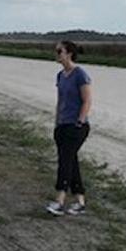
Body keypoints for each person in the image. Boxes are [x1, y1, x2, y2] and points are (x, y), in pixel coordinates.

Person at [47, 41, 93, 216]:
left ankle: (59, 200)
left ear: (69, 54)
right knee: (71, 161)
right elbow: (60, 100)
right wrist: (57, 121)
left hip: (77, 126)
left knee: (65, 161)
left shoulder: (80, 74)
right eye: (56, 51)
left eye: (60, 51)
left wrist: (79, 122)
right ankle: (80, 201)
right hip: (62, 125)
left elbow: (87, 100)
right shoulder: (60, 75)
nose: (57, 54)